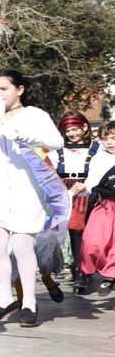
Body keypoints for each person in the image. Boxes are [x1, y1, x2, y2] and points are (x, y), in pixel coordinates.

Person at [0, 71, 64, 327]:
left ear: (20, 89)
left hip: (26, 188)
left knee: (22, 245)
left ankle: (29, 301)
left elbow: (56, 141)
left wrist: (23, 136)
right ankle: (5, 299)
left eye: (4, 88)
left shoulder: (35, 116)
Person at [53, 112, 99, 292]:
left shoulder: (97, 148)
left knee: (89, 233)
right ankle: (78, 270)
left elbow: (101, 168)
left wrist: (87, 185)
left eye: (74, 129)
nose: (71, 134)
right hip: (66, 191)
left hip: (88, 190)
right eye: (68, 130)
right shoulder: (58, 149)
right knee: (73, 232)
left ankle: (87, 270)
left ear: (85, 127)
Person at [77, 122, 115, 290]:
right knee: (91, 241)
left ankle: (111, 275)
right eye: (105, 139)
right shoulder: (98, 159)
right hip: (103, 205)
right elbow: (91, 182)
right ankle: (85, 270)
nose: (109, 142)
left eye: (113, 138)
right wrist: (82, 189)